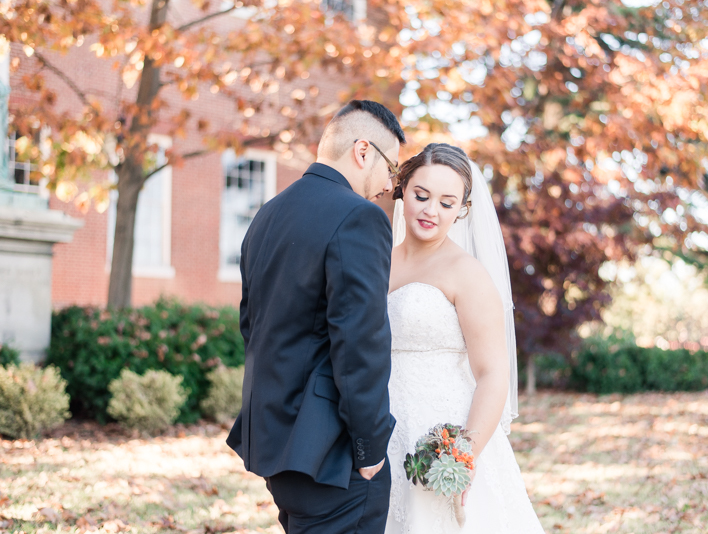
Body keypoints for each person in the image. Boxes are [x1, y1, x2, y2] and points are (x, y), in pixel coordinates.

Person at [226, 100, 405, 533]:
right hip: (333, 456)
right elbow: (360, 344)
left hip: (275, 442)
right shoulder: (359, 218)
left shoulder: (267, 215)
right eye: (391, 168)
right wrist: (369, 450)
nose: (388, 185)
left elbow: (252, 325)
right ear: (363, 152)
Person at [384, 143, 545, 533]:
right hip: (382, 431)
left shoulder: (466, 273)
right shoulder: (377, 258)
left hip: (441, 439)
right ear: (403, 189)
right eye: (421, 195)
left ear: (462, 210)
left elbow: (492, 372)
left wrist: (463, 455)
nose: (430, 211)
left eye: (446, 202)